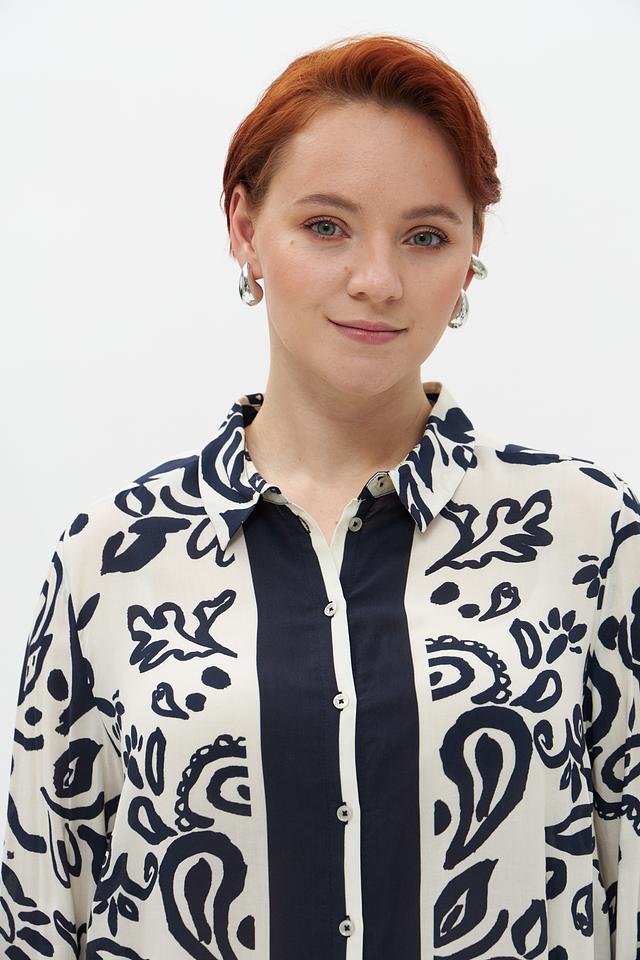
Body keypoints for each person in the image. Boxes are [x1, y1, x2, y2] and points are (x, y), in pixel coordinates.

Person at [0, 31, 638, 960]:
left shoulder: (589, 538)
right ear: (244, 228)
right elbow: (38, 903)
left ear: (470, 257)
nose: (377, 280)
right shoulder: (113, 557)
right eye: (327, 226)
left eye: (426, 236)